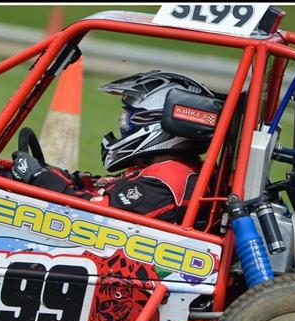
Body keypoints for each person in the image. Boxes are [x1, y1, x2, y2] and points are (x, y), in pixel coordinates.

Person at [12, 70, 215, 224]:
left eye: (127, 121)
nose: (123, 128)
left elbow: (87, 215)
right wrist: (64, 177)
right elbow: (106, 188)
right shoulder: (172, 171)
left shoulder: (167, 181)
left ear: (156, 124)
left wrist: (39, 177)